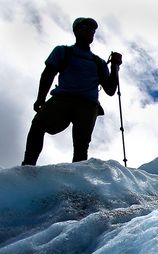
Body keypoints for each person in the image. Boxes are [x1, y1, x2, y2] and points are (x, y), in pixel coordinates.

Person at [21, 17, 122, 166]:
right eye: (85, 28)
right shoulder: (63, 51)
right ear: (76, 31)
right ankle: (28, 166)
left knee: (80, 143)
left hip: (83, 104)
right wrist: (40, 98)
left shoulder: (98, 62)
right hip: (71, 101)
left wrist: (114, 66)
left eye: (92, 30)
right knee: (39, 125)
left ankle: (30, 167)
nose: (89, 32)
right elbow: (48, 74)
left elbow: (110, 90)